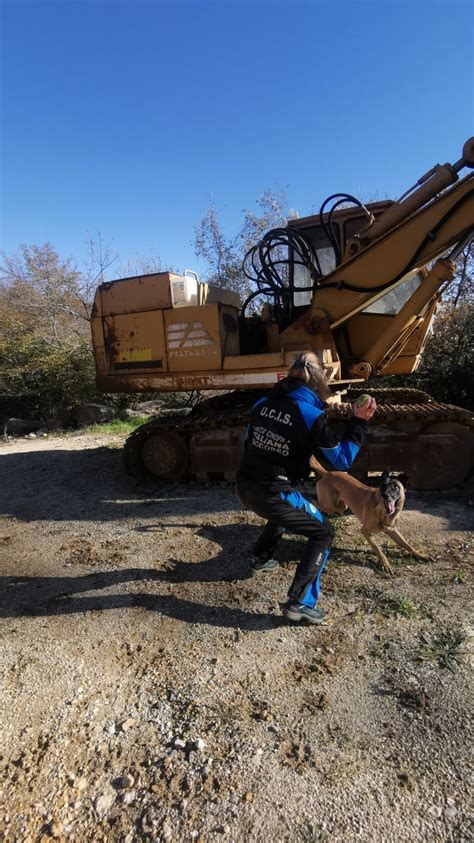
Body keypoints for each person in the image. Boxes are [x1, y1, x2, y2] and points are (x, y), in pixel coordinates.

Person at [236, 351, 376, 624]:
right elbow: (341, 461)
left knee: (293, 504)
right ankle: (300, 603)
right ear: (318, 382)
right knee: (323, 532)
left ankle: (260, 558)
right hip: (271, 493)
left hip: (244, 485)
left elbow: (248, 441)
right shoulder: (311, 414)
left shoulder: (261, 403)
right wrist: (359, 422)